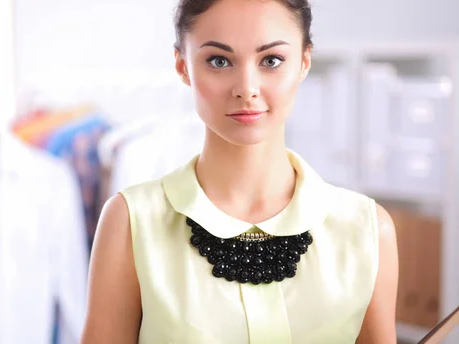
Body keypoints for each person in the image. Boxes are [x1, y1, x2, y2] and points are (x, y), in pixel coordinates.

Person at [82, 0, 399, 342]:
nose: (246, 88)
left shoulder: (367, 230)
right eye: (219, 61)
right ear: (183, 66)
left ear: (304, 62)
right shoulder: (131, 223)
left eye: (271, 60)